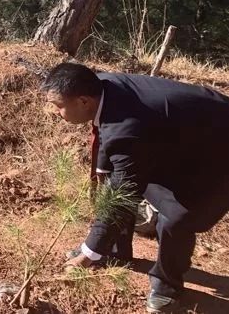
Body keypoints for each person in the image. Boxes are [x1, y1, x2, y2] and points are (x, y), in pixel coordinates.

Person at [42, 62, 229, 313]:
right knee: (115, 181)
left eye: (58, 106)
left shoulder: (126, 126)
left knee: (177, 216)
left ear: (83, 101)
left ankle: (168, 285)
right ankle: (116, 252)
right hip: (186, 141)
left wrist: (89, 251)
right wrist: (102, 170)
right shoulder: (103, 87)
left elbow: (124, 191)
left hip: (219, 154)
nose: (54, 112)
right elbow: (114, 150)